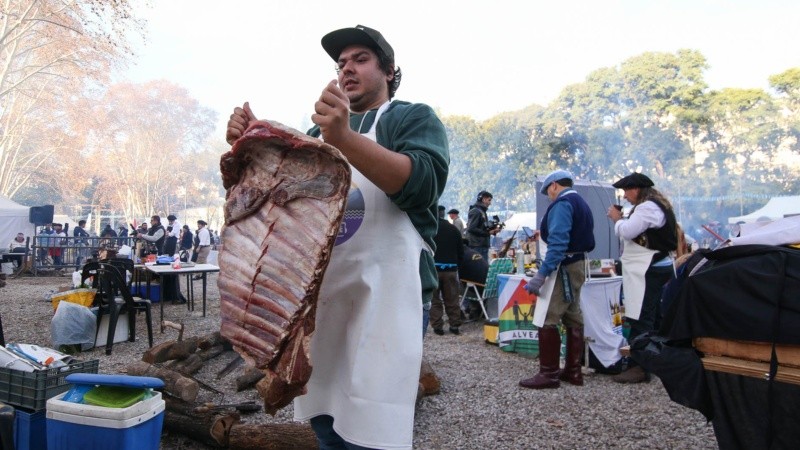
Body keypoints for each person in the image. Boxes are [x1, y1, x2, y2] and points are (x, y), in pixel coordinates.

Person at [226, 24, 448, 449]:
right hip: (323, 302)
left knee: (373, 429)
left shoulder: (410, 117)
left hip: (388, 297)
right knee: (325, 423)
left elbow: (422, 185)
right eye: (341, 63)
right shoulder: (314, 137)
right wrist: (252, 145)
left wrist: (343, 138)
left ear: (389, 71)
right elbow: (279, 204)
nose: (347, 68)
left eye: (360, 59)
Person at [519, 170, 595, 390]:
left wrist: (541, 274)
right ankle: (573, 371)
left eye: (548, 191)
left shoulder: (562, 204)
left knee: (547, 317)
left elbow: (559, 244)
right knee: (572, 315)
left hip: (563, 267)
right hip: (577, 264)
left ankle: (549, 374)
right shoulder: (581, 202)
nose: (549, 196)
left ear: (554, 185)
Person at [606, 172, 678, 383]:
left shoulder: (648, 208)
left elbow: (628, 231)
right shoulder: (655, 205)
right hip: (652, 267)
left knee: (640, 317)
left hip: (647, 269)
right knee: (653, 316)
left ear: (636, 189)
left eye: (626, 191)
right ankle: (655, 361)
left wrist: (617, 219)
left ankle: (640, 366)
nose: (625, 196)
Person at [431, 206, 464, 336]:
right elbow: (461, 251)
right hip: (451, 269)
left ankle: (438, 326)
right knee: (452, 298)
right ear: (444, 214)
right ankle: (454, 325)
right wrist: (456, 266)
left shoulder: (431, 229)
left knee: (435, 300)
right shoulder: (453, 229)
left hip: (434, 269)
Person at [466, 190, 500, 260]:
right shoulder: (476, 211)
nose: (490, 203)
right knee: (479, 266)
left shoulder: (481, 211)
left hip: (480, 245)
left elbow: (481, 227)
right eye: (489, 200)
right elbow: (471, 228)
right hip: (477, 246)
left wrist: (493, 230)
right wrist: (488, 233)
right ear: (483, 199)